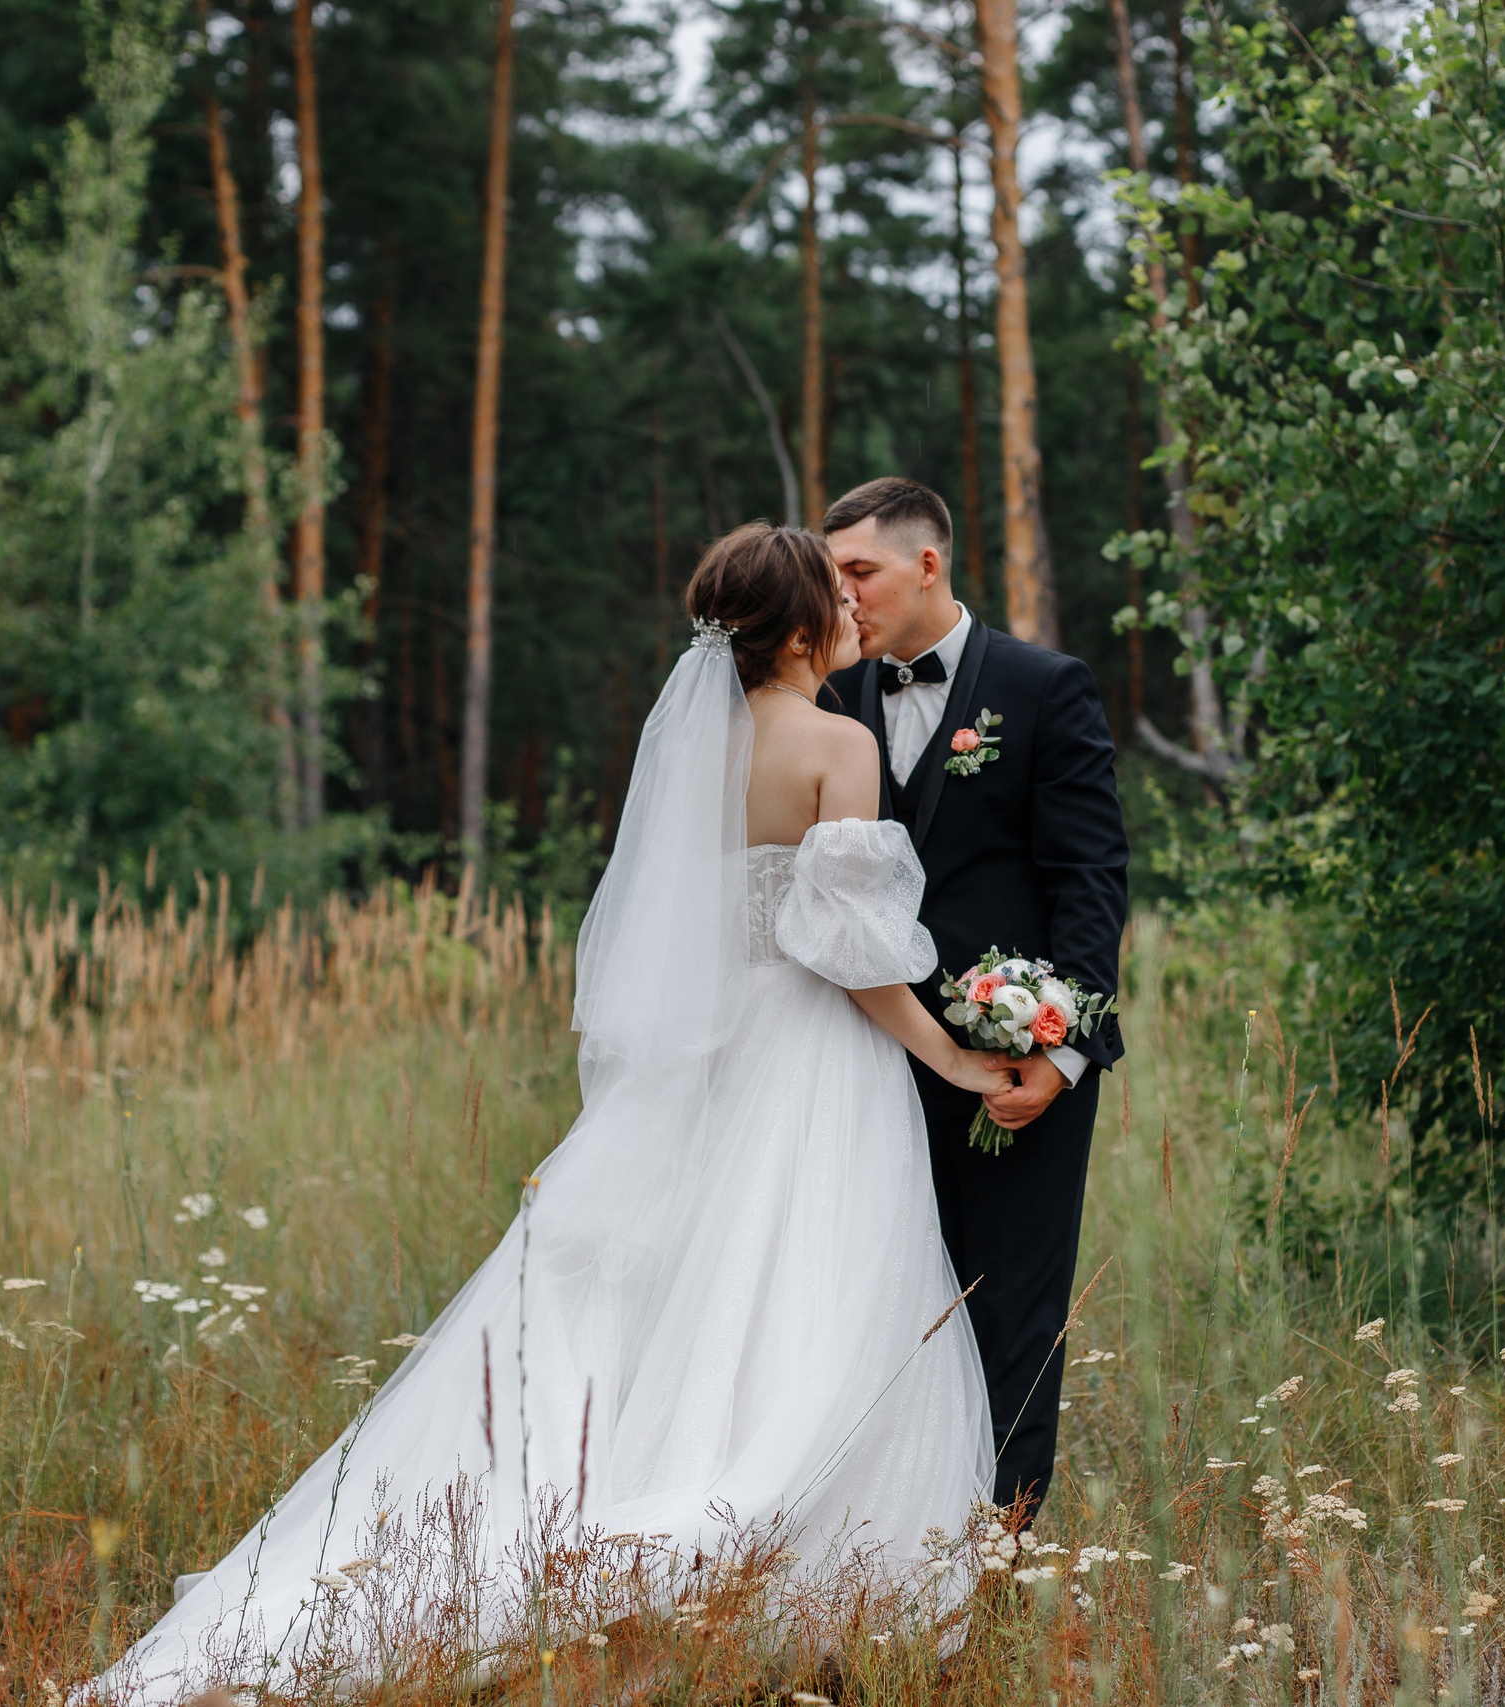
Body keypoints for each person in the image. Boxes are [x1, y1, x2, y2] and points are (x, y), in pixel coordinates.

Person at [75, 524, 1007, 1705]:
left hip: (705, 1070)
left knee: (666, 1301)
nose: (852, 616)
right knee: (812, 1293)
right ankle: (778, 1574)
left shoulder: (694, 752)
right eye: (837, 595)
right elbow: (852, 951)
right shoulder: (835, 743)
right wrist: (951, 1058)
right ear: (801, 626)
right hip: (811, 1062)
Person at [819, 477, 1129, 1521]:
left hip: (1016, 1062)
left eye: (858, 572)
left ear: (926, 564)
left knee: (1014, 1313)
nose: (844, 597)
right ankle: (885, 1549)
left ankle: (997, 1550)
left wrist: (1062, 1049)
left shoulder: (1045, 686)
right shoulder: (827, 697)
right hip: (858, 1058)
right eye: (832, 578)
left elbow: (1090, 877)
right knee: (875, 1305)